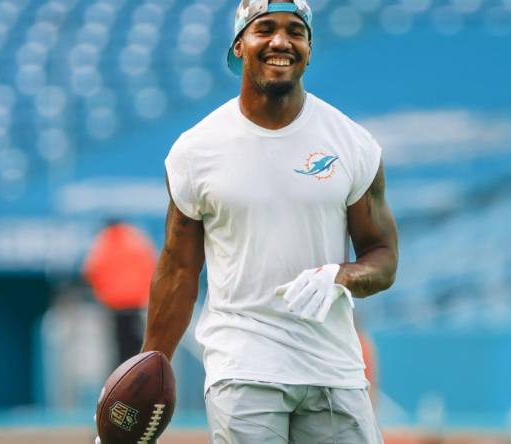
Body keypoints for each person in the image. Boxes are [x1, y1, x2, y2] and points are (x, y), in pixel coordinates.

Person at [142, 0, 398, 442]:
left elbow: (383, 258)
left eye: (295, 32)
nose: (281, 41)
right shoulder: (196, 151)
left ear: (310, 49)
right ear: (239, 45)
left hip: (333, 369)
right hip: (243, 367)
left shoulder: (353, 144)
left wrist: (341, 276)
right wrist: (148, 369)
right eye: (265, 29)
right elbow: (179, 269)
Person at [83, 219, 157, 365]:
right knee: (137, 344)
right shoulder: (137, 239)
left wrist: (103, 293)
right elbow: (152, 267)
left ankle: (121, 378)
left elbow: (91, 270)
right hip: (135, 303)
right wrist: (143, 293)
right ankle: (137, 374)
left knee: (118, 347)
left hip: (114, 305)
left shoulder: (103, 242)